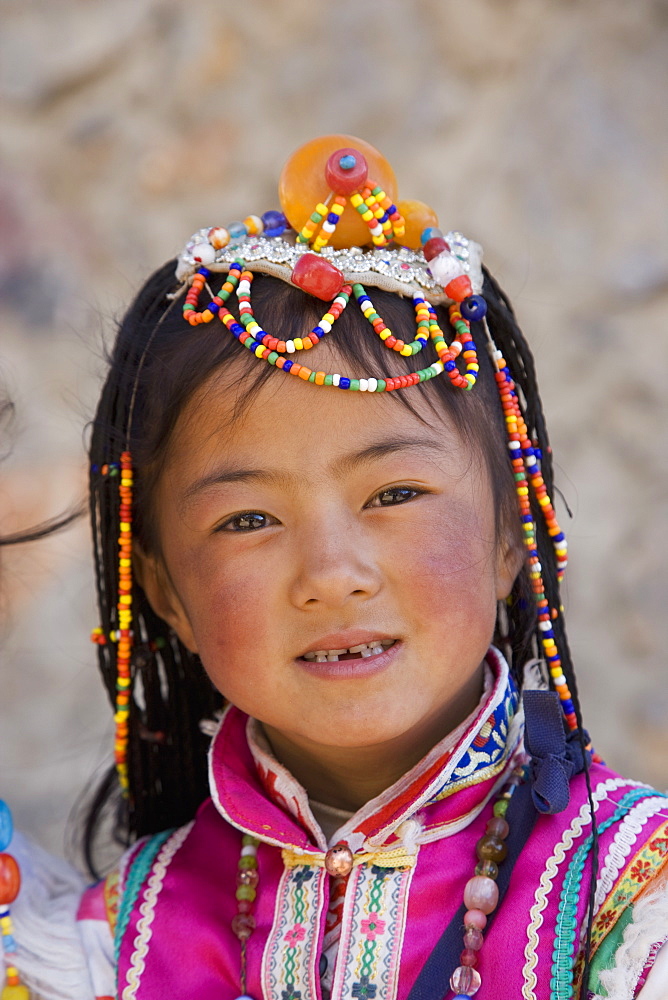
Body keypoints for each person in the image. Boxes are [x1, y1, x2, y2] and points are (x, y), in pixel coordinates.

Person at [8, 135, 668, 1000]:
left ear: (515, 531)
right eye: (249, 519)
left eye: (394, 494)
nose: (332, 572)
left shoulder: (626, 897)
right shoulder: (110, 943)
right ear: (166, 589)